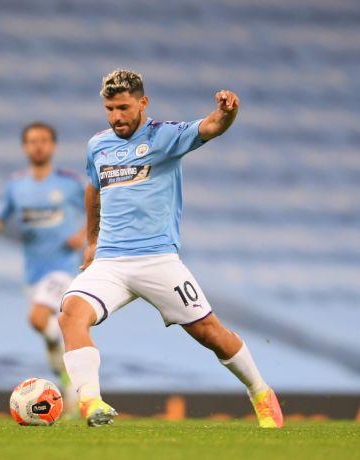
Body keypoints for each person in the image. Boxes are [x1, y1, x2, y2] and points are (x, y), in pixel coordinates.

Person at [59, 69, 283, 428]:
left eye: (123, 107)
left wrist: (228, 114)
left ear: (143, 103)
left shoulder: (165, 137)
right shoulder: (97, 145)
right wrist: (91, 241)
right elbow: (93, 188)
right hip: (111, 262)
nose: (116, 116)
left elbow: (211, 126)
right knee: (71, 311)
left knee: (211, 334)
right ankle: (91, 402)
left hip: (158, 260)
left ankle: (259, 391)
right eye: (109, 108)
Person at [0, 122, 85, 413]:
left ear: (52, 146)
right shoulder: (17, 185)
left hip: (63, 267)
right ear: (25, 147)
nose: (38, 145)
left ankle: (73, 374)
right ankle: (70, 382)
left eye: (43, 140)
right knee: (49, 333)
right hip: (33, 271)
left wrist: (83, 236)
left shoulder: (69, 182)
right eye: (32, 141)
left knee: (37, 318)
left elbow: (98, 206)